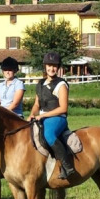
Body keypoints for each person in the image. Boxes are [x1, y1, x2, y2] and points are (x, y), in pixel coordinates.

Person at [28, 52, 75, 180]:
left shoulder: (61, 85)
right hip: (42, 117)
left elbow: (63, 108)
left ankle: (67, 165)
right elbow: (36, 104)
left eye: (54, 66)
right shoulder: (40, 84)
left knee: (49, 135)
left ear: (58, 67)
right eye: (49, 65)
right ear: (45, 66)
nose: (52, 68)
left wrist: (43, 116)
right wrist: (32, 114)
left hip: (58, 118)